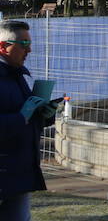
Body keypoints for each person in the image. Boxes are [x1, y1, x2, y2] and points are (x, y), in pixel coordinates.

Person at [0, 20, 58, 221]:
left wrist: (45, 115)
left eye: (29, 44)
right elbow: (19, 119)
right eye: (24, 44)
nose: (29, 50)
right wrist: (21, 117)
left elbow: (28, 121)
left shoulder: (17, 75)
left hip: (18, 172)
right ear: (3, 47)